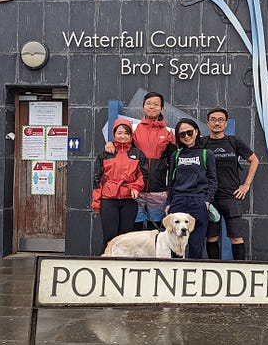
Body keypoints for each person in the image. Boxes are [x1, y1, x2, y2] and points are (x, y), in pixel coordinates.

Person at [106, 92, 176, 230]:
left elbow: (174, 163)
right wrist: (111, 144)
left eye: (156, 104)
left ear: (162, 109)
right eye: (149, 103)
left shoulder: (168, 133)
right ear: (143, 107)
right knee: (134, 229)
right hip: (134, 190)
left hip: (158, 191)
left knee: (156, 230)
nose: (152, 107)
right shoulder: (134, 130)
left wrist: (170, 190)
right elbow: (123, 148)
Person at [202, 107, 259, 260]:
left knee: (236, 237)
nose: (217, 123)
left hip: (231, 197)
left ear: (226, 124)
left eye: (220, 120)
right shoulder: (202, 143)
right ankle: (214, 270)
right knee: (211, 237)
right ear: (208, 123)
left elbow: (254, 160)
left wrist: (246, 185)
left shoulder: (234, 142)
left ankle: (239, 270)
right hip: (210, 198)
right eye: (213, 120)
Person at [92, 119, 148, 252]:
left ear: (131, 135)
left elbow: (143, 175)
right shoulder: (105, 153)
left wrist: (136, 187)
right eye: (119, 133)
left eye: (126, 133)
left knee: (125, 238)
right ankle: (105, 264)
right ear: (114, 134)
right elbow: (97, 179)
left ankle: (123, 266)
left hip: (129, 200)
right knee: (109, 237)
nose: (122, 136)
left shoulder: (137, 154)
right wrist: (96, 202)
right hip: (109, 200)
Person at [165, 118, 217, 259]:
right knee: (175, 245)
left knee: (196, 244)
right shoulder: (176, 155)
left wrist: (207, 200)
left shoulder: (207, 154)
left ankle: (194, 278)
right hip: (178, 201)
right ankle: (174, 277)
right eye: (182, 134)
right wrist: (169, 202)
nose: (187, 137)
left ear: (196, 132)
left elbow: (213, 180)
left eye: (189, 132)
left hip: (198, 201)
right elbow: (171, 181)